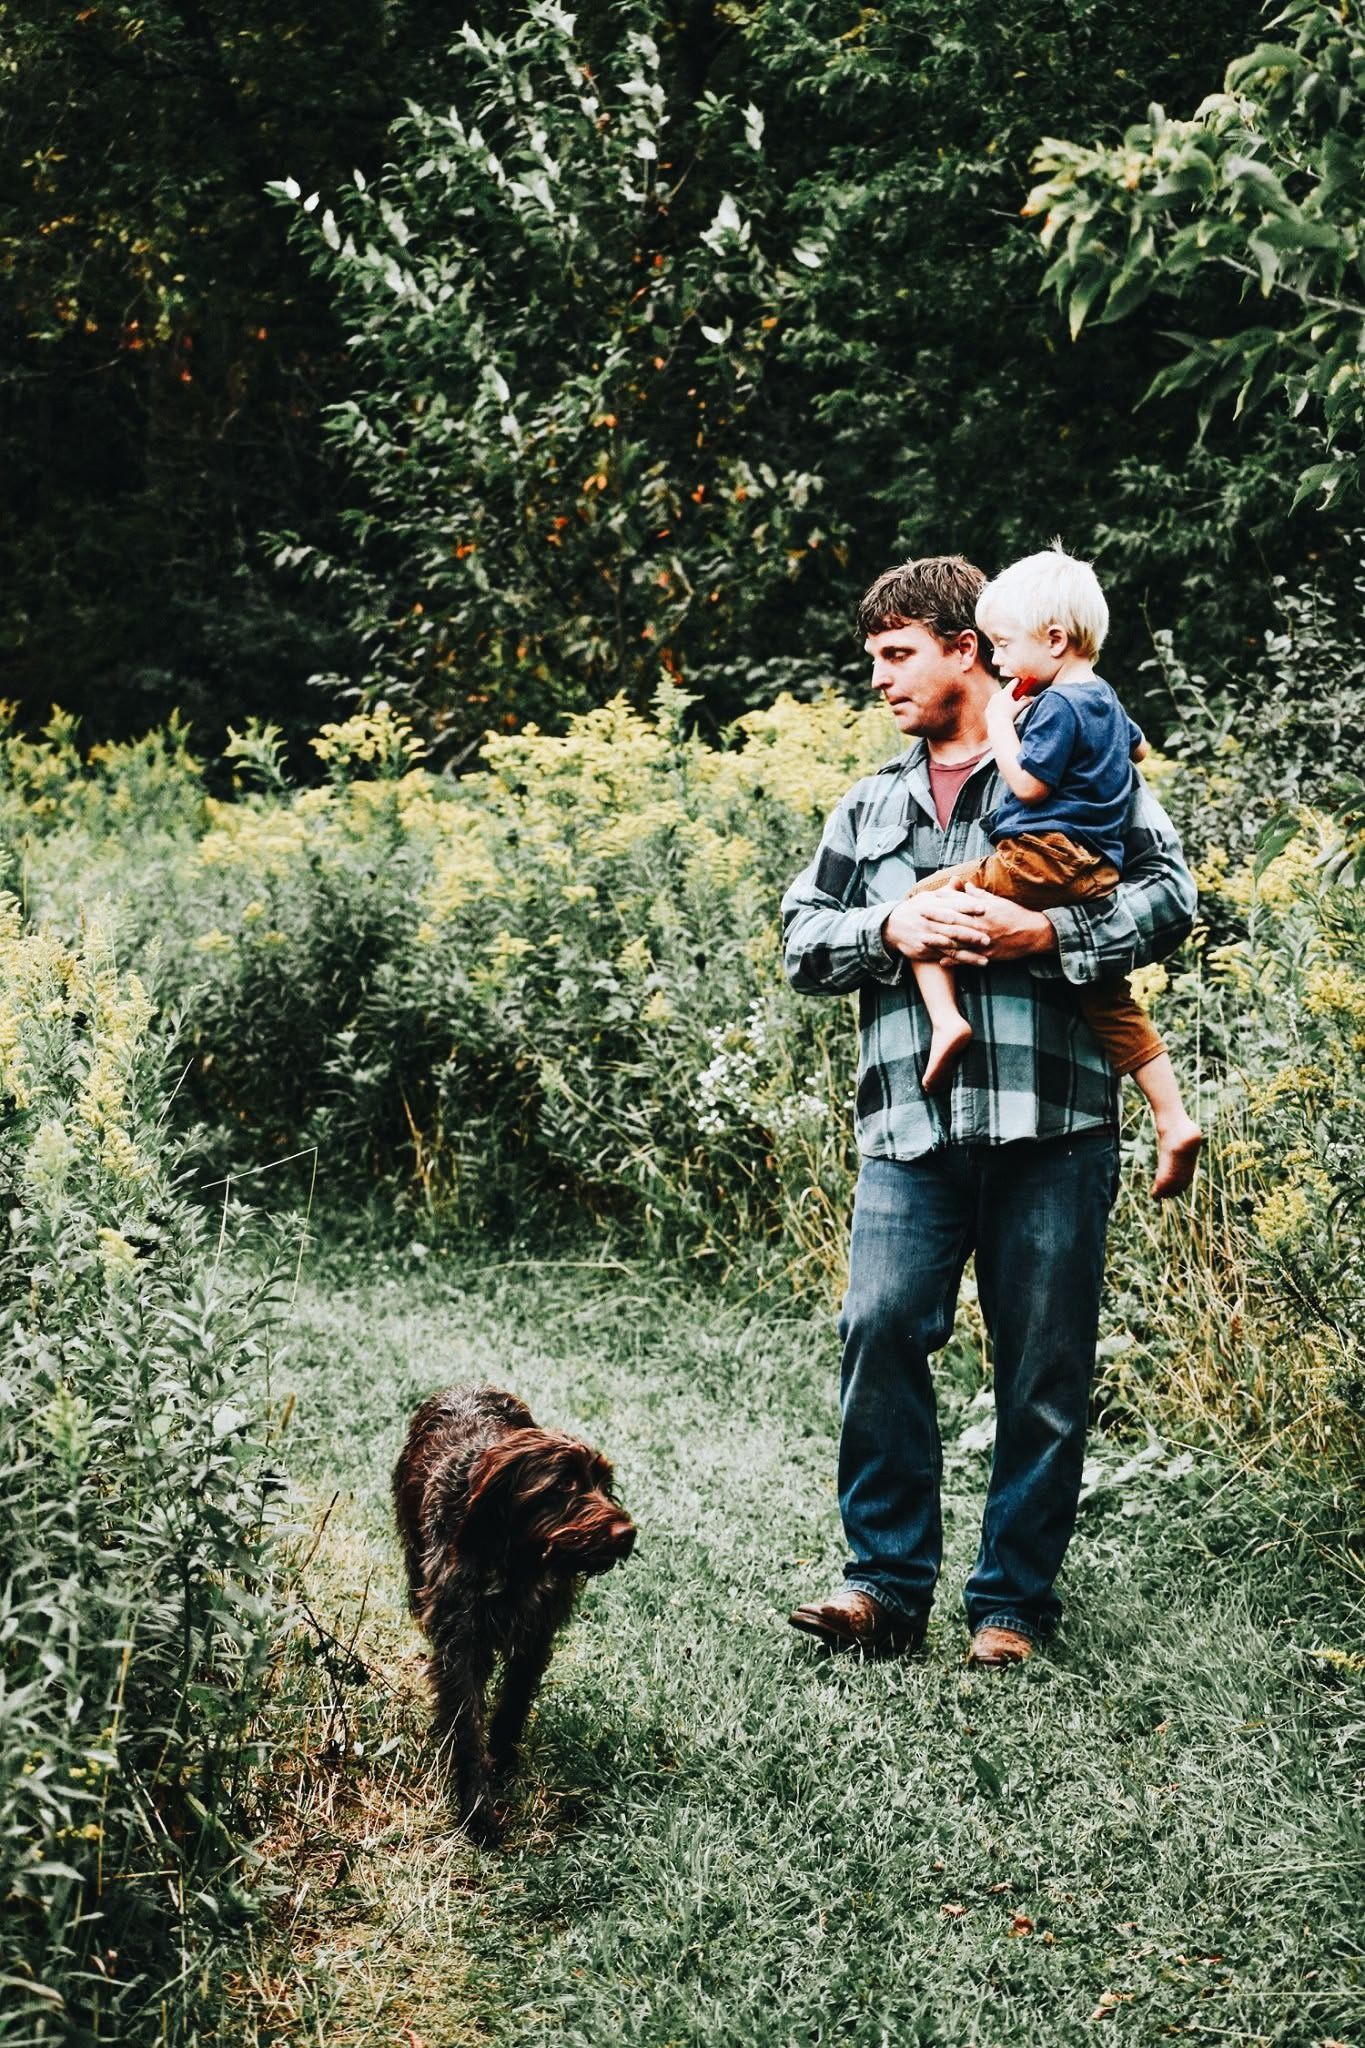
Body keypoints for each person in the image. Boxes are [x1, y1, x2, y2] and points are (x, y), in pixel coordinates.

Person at [781, 554, 1198, 1668]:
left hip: (1057, 1124)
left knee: (1044, 1369)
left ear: (968, 648)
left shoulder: (1076, 759)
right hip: (908, 1134)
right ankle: (883, 1586)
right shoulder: (870, 803)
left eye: (896, 654)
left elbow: (1171, 895)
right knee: (877, 1332)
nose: (879, 679)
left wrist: (1045, 936)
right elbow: (798, 935)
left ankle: (1011, 1605)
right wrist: (886, 933)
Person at [906, 544, 1201, 1200]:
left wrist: (1002, 723)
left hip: (1039, 857)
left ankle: (946, 1019)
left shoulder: (1056, 708)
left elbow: (1029, 784)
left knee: (922, 903)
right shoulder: (1102, 700)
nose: (999, 661)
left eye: (1004, 646)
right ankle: (1172, 1118)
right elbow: (1139, 749)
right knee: (1106, 998)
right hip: (1096, 869)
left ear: (1055, 639)